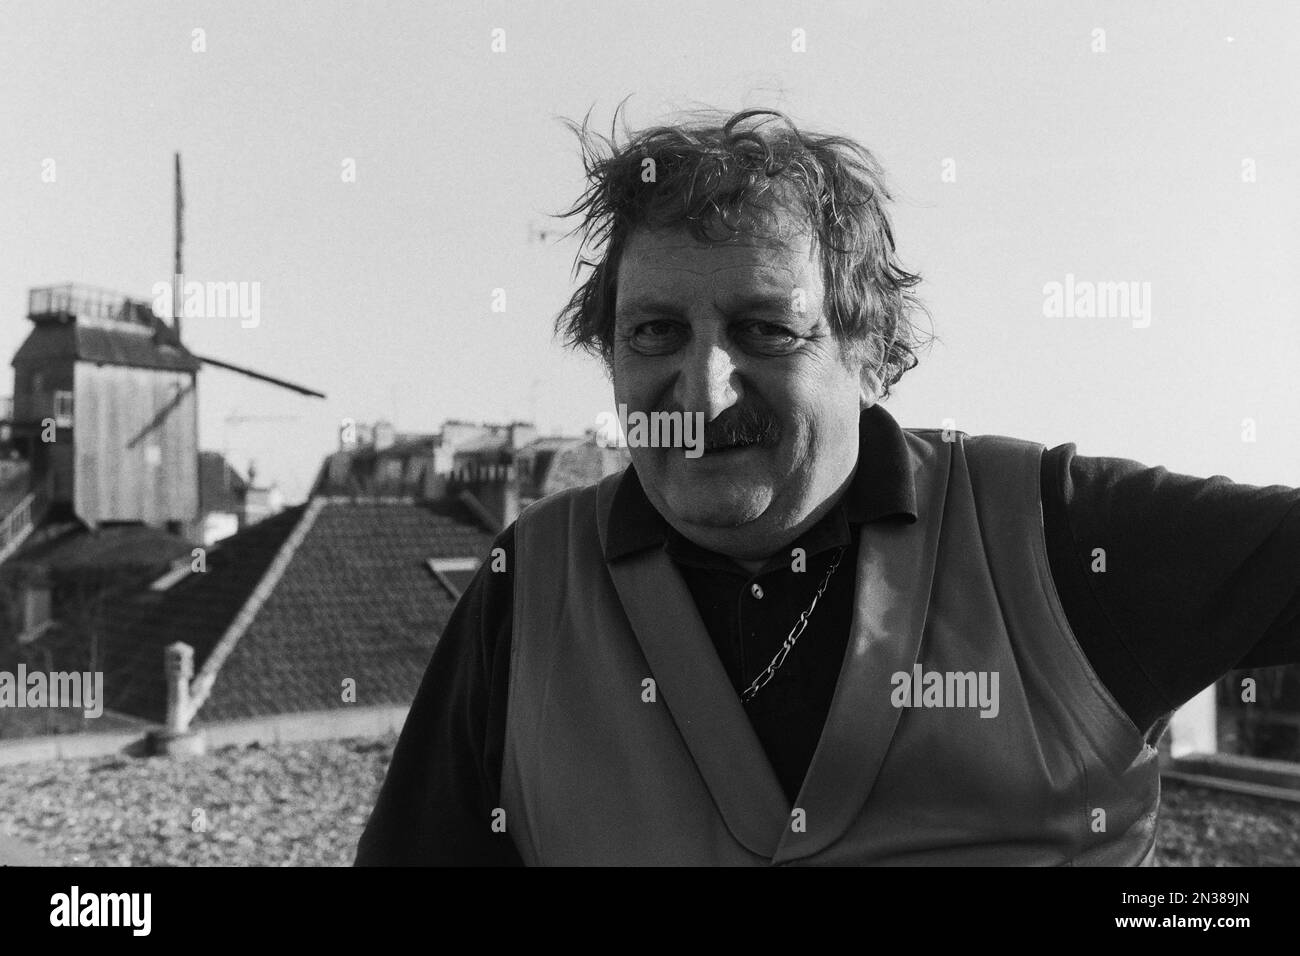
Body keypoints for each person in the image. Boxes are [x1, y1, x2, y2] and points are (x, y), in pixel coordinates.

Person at [355, 108, 1300, 866]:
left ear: (874, 355)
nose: (704, 388)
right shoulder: (531, 586)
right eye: (653, 332)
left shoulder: (1056, 539)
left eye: (765, 328)